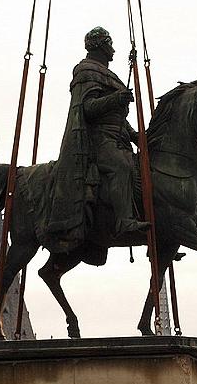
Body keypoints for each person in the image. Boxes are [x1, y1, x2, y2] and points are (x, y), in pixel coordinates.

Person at [47, 26, 150, 252]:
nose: (113, 50)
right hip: (98, 141)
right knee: (121, 166)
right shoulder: (86, 71)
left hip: (118, 138)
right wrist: (116, 99)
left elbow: (117, 118)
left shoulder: (108, 75)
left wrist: (136, 136)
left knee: (144, 170)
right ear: (101, 45)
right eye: (110, 44)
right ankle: (124, 221)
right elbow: (88, 108)